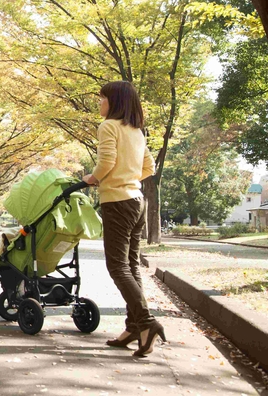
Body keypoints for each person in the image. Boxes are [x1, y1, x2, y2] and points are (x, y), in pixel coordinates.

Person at [83, 81, 165, 358]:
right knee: (130, 265)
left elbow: (105, 163)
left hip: (117, 202)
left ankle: (146, 322)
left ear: (114, 101)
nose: (99, 103)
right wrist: (128, 179)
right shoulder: (137, 131)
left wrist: (92, 179)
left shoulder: (109, 127)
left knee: (117, 266)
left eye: (102, 98)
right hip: (137, 202)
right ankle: (134, 328)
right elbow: (149, 167)